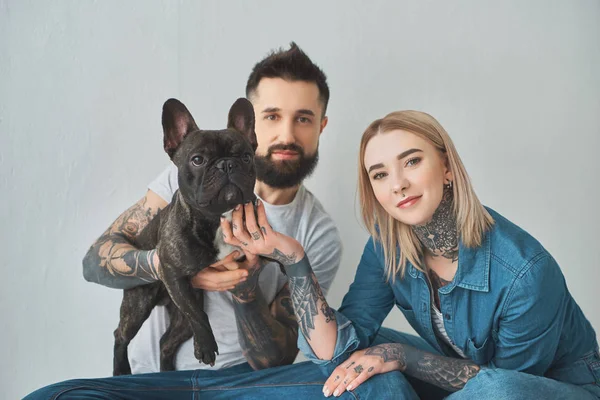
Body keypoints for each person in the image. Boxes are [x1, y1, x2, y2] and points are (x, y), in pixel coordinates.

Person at [26, 43, 407, 400]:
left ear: (321, 125)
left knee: (380, 386)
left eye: (303, 118)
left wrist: (246, 287)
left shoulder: (316, 233)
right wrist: (170, 266)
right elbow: (94, 263)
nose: (287, 134)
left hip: (243, 383)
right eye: (273, 116)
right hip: (152, 380)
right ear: (253, 126)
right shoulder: (186, 181)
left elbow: (276, 359)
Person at [222, 110, 600, 399]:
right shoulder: (387, 245)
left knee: (493, 390)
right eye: (380, 174)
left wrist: (403, 356)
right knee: (361, 355)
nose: (398, 184)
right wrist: (294, 259)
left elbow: (503, 384)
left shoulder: (525, 273)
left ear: (447, 167)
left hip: (555, 388)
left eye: (412, 161)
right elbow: (337, 351)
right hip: (473, 378)